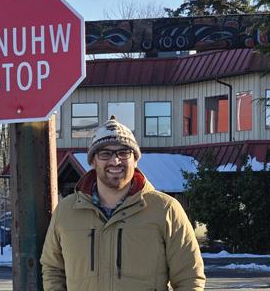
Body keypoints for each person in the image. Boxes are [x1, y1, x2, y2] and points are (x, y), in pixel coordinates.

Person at [41, 116, 205, 291]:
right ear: (93, 161)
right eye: (105, 154)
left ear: (135, 159)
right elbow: (52, 268)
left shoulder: (165, 209)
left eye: (123, 153)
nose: (115, 161)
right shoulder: (66, 211)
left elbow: (190, 277)